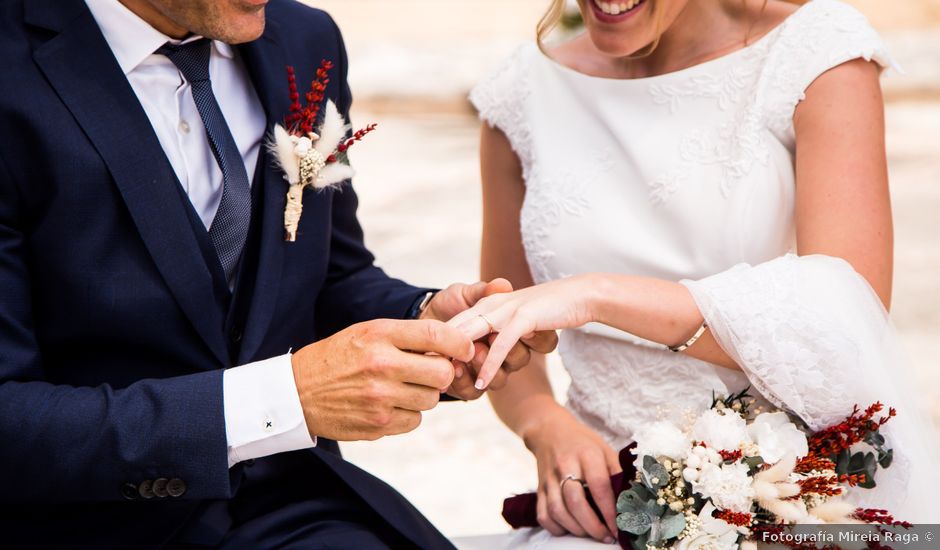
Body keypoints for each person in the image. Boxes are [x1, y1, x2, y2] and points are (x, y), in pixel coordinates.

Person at [0, 0, 556, 548]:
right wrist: (281, 400)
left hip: (294, 509)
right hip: (80, 523)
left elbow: (330, 277)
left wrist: (428, 323)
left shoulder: (303, 39)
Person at [457, 0, 940, 545]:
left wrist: (596, 296)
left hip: (796, 501)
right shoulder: (520, 92)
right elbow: (506, 326)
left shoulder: (815, 54)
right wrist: (543, 424)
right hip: (605, 513)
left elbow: (845, 324)